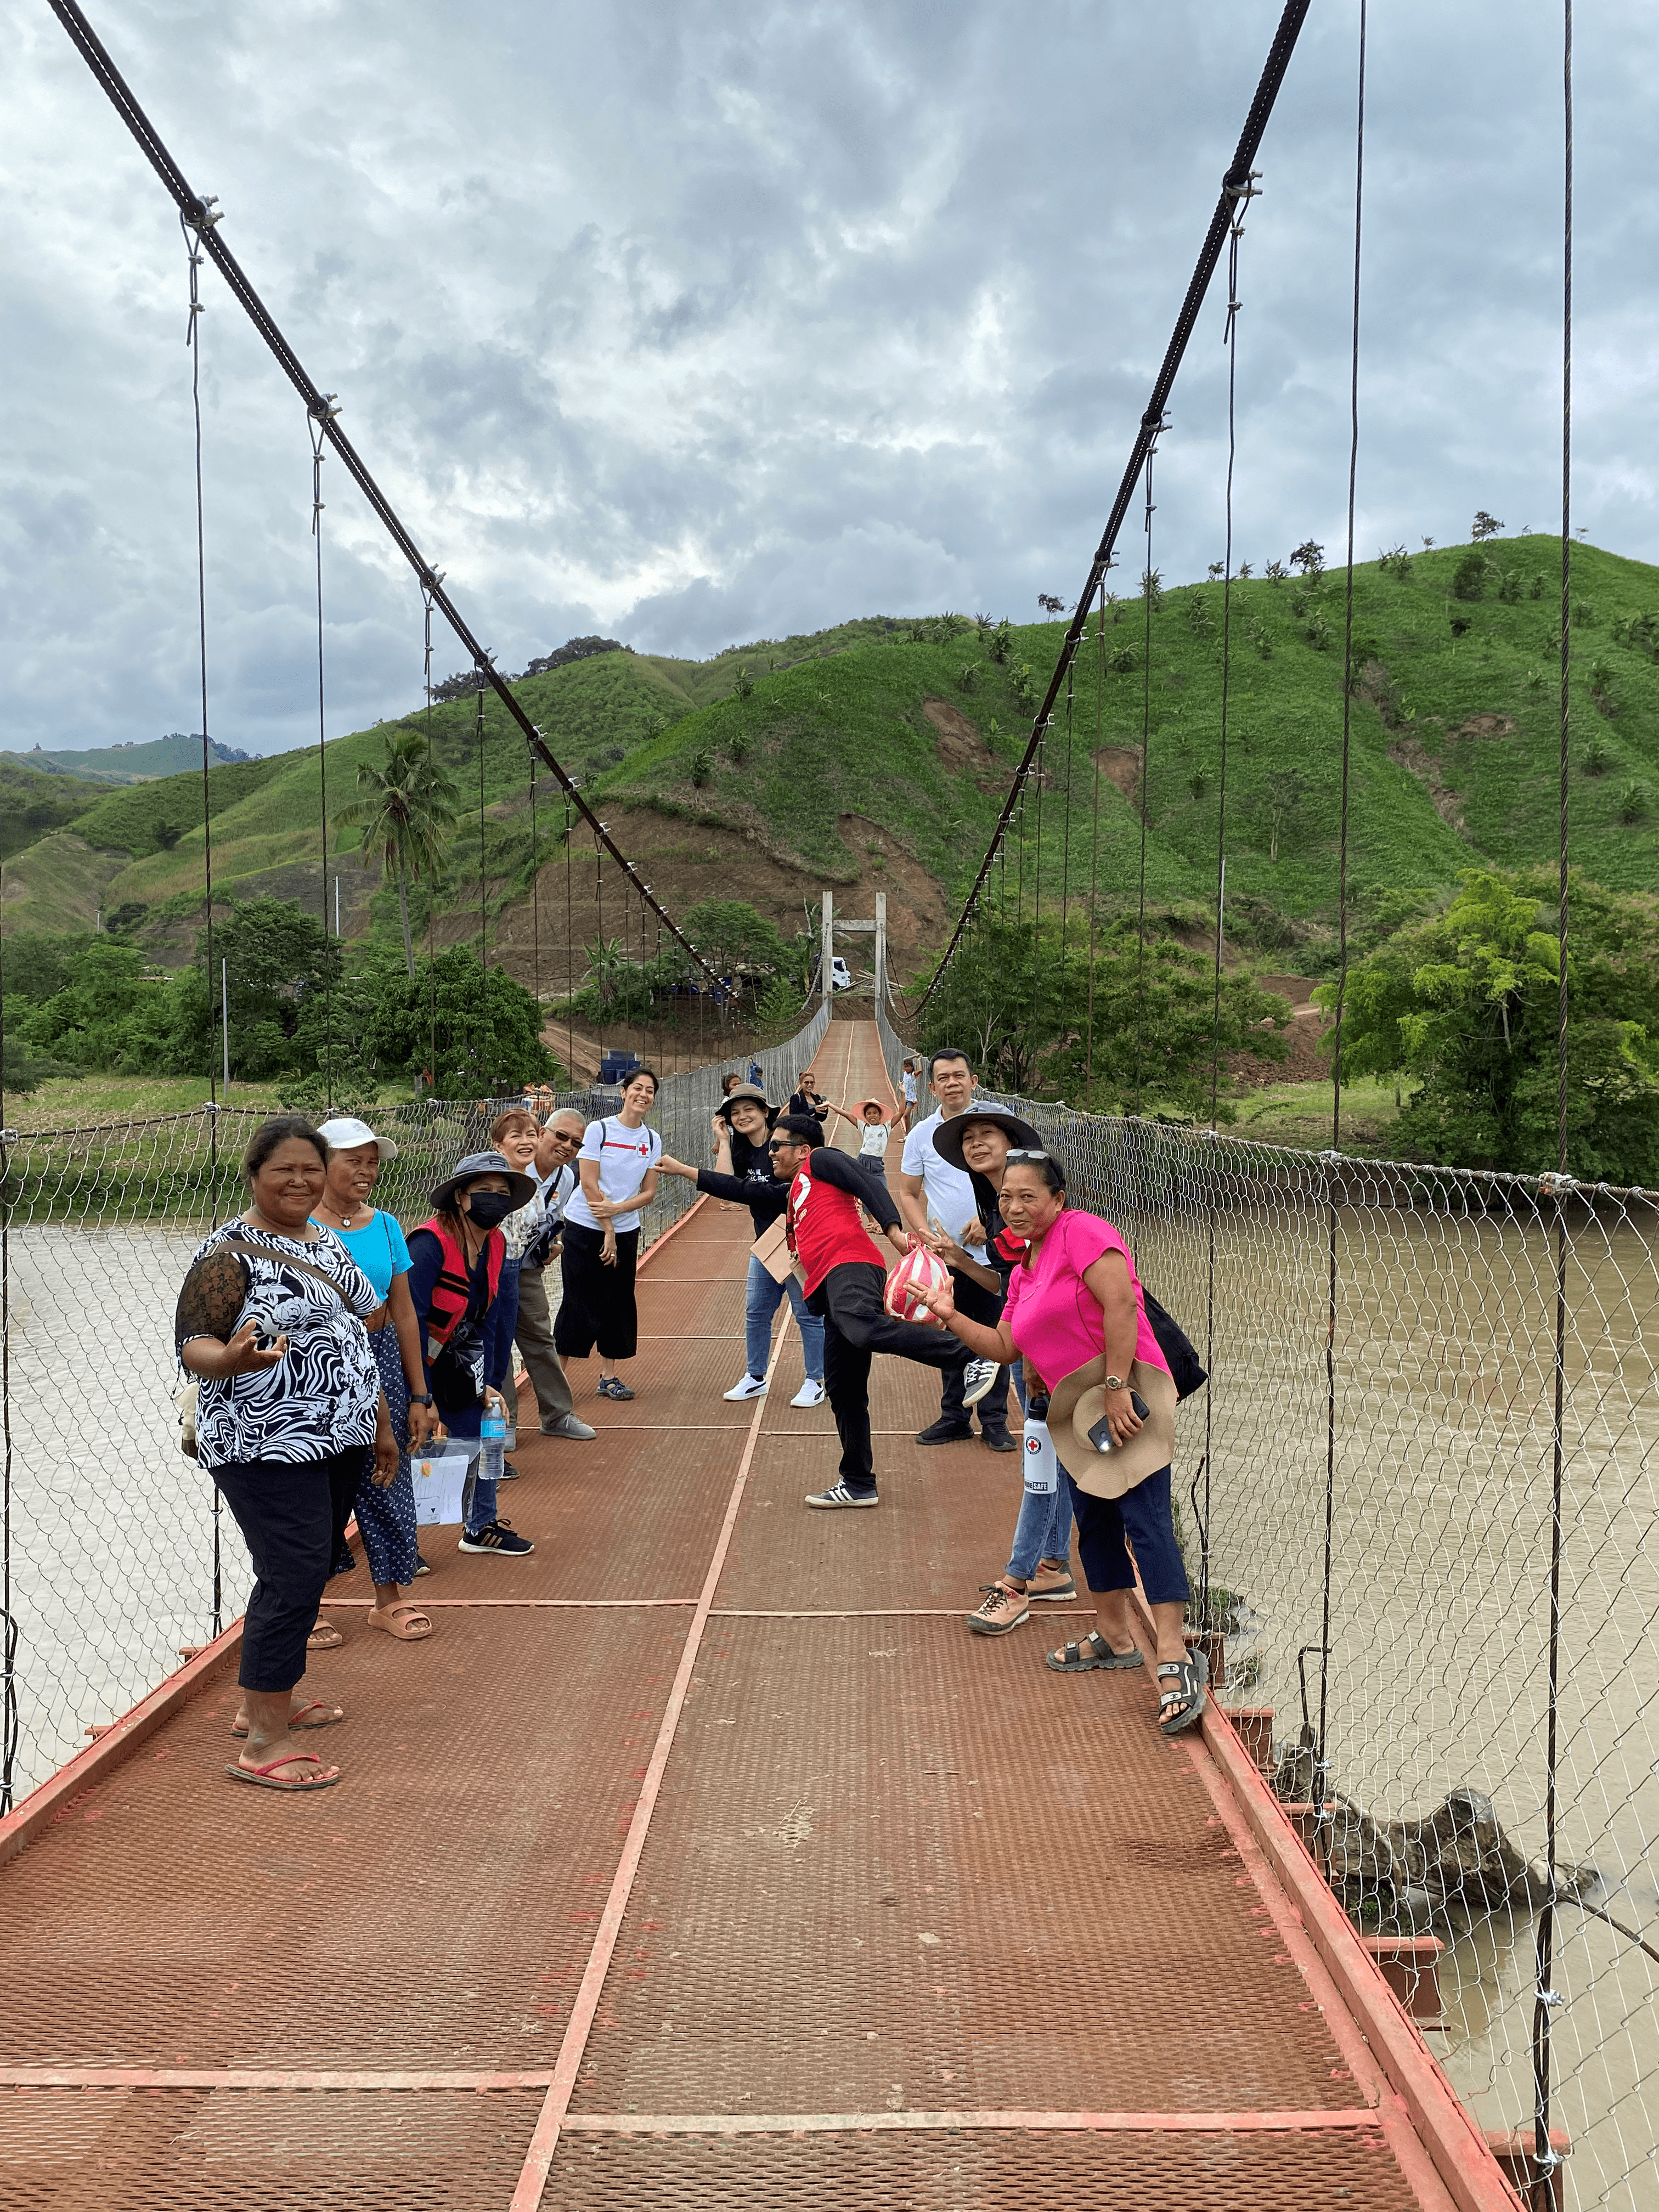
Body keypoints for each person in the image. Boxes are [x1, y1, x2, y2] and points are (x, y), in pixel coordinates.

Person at [917, 1149, 1205, 1735]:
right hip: (1075, 1409)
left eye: (1028, 1196)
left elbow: (1121, 1302)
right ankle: (1115, 1635)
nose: (1015, 1208)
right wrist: (946, 1313)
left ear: (1057, 1198)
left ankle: (1174, 1655)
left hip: (1122, 1397)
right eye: (1005, 1199)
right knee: (1093, 1520)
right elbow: (1003, 1348)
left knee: (1145, 1518)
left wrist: (1120, 1387)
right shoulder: (1023, 1271)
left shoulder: (1083, 1233)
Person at [175, 1115, 399, 1792]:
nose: (299, 1181)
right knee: (295, 1573)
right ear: (254, 1176)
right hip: (263, 1443)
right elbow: (194, 1345)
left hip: (340, 1437)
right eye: (284, 1171)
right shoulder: (227, 1253)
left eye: (310, 1169)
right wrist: (233, 1358)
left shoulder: (327, 1242)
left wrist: (382, 1425)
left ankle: (259, 1707)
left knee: (301, 1568)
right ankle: (267, 1740)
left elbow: (363, 1331)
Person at [764, 1113, 1000, 1509]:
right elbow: (737, 1187)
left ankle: (972, 1353)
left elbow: (867, 1180)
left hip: (850, 1265)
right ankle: (858, 1482)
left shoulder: (821, 1160)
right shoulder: (794, 1193)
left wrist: (892, 1229)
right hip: (827, 1281)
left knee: (866, 1329)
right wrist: (687, 1171)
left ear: (802, 1149)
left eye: (776, 1145)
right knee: (844, 1389)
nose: (770, 1153)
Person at [926, 1109, 1077, 1634]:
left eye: (985, 1134)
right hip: (1030, 1343)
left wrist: (1033, 1356)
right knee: (1052, 1458)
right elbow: (1009, 1283)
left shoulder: (1033, 1205)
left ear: (1012, 1141)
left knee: (1042, 1460)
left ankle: (1019, 1579)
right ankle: (1055, 1566)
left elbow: (1051, 1286)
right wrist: (960, 1260)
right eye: (966, 1139)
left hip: (1054, 1353)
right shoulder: (998, 1207)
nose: (974, 1144)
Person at [311, 1115, 437, 1640]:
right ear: (322, 1166)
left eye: (372, 1163)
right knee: (317, 1486)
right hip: (318, 1367)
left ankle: (388, 1599)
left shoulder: (385, 1226)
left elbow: (405, 1313)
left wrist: (419, 1394)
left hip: (382, 1358)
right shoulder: (299, 1226)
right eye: (353, 1161)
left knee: (387, 1477)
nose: (366, 1173)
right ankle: (306, 1604)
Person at [659, 1082, 826, 1408]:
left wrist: (685, 1170)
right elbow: (726, 1189)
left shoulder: (786, 1148)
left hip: (798, 1243)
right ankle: (756, 1377)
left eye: (750, 1109)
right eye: (734, 1113)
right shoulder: (742, 1150)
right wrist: (723, 1141)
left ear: (766, 1113)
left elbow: (756, 1193)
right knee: (757, 1313)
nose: (742, 1116)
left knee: (807, 1315)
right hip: (766, 1243)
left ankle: (815, 1380)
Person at [407, 1152, 536, 1556]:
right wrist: (422, 1397)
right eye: (484, 1191)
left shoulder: (496, 1242)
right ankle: (398, 1540)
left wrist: (488, 1384)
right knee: (403, 1443)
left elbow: (489, 1317)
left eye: (503, 1193)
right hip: (406, 1362)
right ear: (461, 1197)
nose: (494, 1199)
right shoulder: (430, 1244)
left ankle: (479, 1526)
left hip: (454, 1360)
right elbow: (409, 1323)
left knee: (488, 1428)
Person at [898, 1048, 1014, 1452]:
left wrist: (992, 1218)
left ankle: (995, 1421)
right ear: (931, 1088)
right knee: (952, 1335)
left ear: (973, 1081)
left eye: (959, 1075)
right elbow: (909, 1193)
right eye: (943, 1077)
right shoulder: (920, 1136)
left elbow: (1019, 1176)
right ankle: (955, 1417)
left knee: (995, 1338)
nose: (952, 1083)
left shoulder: (996, 1125)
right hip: (948, 1258)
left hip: (998, 1256)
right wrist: (923, 1234)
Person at [556, 1066, 663, 1400]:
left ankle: (609, 1377)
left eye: (650, 1091)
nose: (643, 1095)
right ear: (623, 1092)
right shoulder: (598, 1130)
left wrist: (617, 1216)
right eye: (638, 1088)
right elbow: (589, 1183)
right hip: (585, 1226)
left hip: (625, 1228)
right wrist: (608, 1229)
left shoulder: (651, 1140)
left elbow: (649, 1193)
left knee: (617, 1301)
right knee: (579, 1299)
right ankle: (555, 1379)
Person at [507, 1109, 597, 1442]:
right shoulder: (512, 1167)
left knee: (540, 1339)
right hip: (493, 1269)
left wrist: (552, 1245)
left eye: (576, 1143)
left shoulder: (566, 1178)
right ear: (542, 1133)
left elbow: (550, 1221)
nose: (567, 1147)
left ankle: (557, 1415)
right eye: (561, 1137)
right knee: (499, 1345)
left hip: (528, 1268)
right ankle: (505, 1424)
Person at [900, 1056, 919, 1132]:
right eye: (905, 1067)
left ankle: (908, 1133)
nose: (906, 1069)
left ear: (912, 1067)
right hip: (905, 1098)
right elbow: (904, 1059)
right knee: (906, 1117)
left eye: (908, 1067)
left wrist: (919, 1059)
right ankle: (907, 1134)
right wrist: (915, 1056)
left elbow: (920, 1070)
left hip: (911, 1099)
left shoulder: (913, 1075)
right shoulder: (905, 1074)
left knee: (905, 1115)